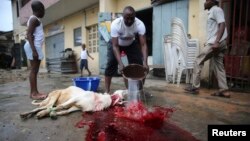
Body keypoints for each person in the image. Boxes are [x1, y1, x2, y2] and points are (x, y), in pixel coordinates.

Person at [185, 0, 230, 98]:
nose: (205, 2)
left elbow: (222, 24)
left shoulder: (216, 10)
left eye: (206, 1)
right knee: (218, 66)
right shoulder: (212, 12)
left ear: (212, 2)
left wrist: (216, 41)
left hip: (216, 42)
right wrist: (211, 40)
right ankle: (224, 90)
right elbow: (214, 29)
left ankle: (195, 87)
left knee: (198, 60)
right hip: (217, 41)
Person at [104, 6, 149, 93]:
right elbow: (115, 46)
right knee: (110, 65)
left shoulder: (140, 24)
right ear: (122, 17)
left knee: (139, 65)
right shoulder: (116, 24)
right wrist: (120, 63)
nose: (129, 21)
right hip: (116, 44)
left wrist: (145, 62)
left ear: (135, 17)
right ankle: (107, 91)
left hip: (131, 43)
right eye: (127, 19)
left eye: (131, 19)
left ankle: (139, 91)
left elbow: (143, 45)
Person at [24, 1, 46, 100]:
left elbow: (29, 34)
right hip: (34, 47)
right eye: (43, 9)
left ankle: (35, 92)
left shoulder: (34, 19)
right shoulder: (34, 19)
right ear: (39, 9)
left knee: (35, 70)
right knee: (34, 70)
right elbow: (29, 34)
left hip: (35, 47)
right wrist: (34, 51)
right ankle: (33, 93)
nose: (44, 12)